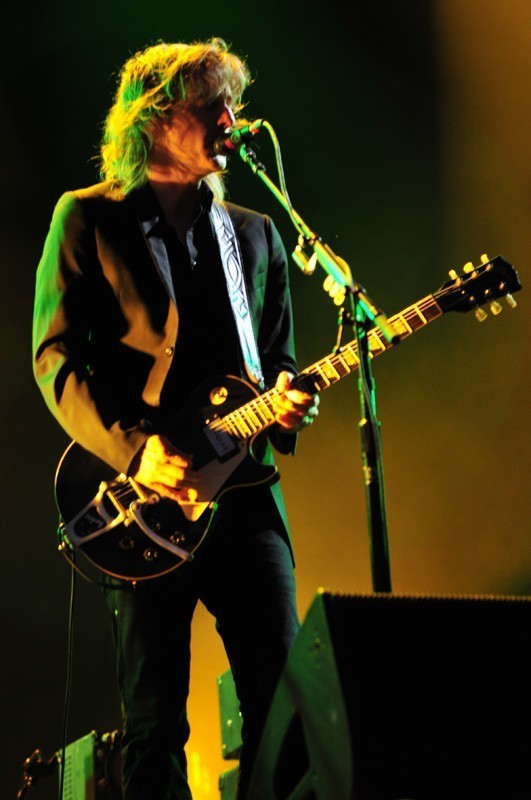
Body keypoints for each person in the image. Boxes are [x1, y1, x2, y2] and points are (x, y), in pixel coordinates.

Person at [32, 38, 319, 799]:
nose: (232, 120)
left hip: (243, 495)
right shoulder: (88, 218)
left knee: (282, 702)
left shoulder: (255, 233)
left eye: (235, 105)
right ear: (156, 120)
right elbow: (55, 359)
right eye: (211, 106)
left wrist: (290, 404)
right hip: (141, 501)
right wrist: (136, 452)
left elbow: (278, 363)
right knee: (156, 720)